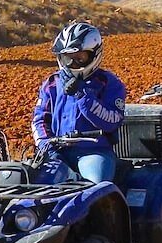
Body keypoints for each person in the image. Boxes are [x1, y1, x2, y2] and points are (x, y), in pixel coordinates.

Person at [31, 21, 126, 183]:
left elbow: (112, 121)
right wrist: (47, 146)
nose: (72, 64)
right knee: (34, 186)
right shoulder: (52, 83)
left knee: (95, 190)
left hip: (94, 152)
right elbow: (40, 119)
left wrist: (83, 96)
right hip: (57, 153)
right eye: (67, 58)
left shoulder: (109, 83)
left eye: (79, 58)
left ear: (94, 55)